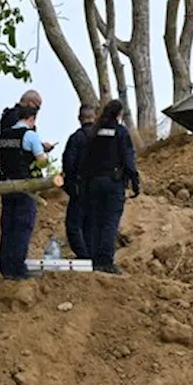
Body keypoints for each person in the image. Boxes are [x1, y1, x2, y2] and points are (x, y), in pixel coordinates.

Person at [80, 99, 141, 274]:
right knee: (109, 222)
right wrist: (135, 182)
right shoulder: (120, 132)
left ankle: (93, 259)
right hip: (113, 183)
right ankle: (105, 260)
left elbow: (86, 159)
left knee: (95, 221)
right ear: (119, 114)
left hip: (93, 182)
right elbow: (128, 160)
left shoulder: (94, 132)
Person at [0, 104, 49, 280]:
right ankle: (18, 267)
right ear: (31, 119)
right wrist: (44, 151)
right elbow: (41, 162)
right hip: (25, 186)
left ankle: (5, 266)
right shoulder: (31, 135)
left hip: (6, 185)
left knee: (8, 226)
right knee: (22, 226)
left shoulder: (3, 135)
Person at [61, 103, 97, 259]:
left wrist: (69, 186)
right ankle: (91, 255)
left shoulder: (76, 138)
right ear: (95, 117)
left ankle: (84, 256)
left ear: (79, 118)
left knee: (74, 225)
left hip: (79, 186)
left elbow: (68, 163)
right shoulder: (102, 137)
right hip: (99, 187)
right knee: (91, 223)